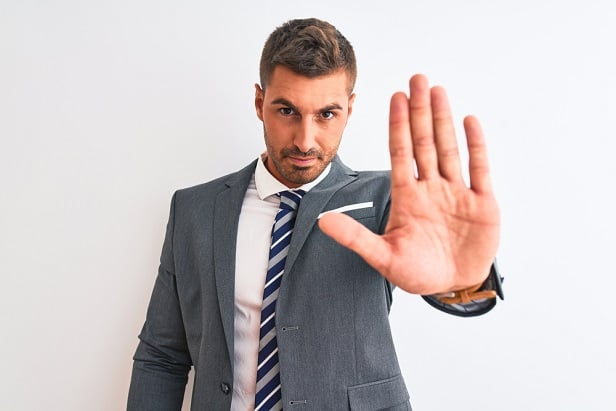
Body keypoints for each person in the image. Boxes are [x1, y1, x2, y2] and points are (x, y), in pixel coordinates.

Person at [127, 17, 503, 411]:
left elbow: (451, 278)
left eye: (326, 114)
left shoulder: (388, 200)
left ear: (350, 109)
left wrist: (464, 280)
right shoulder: (195, 210)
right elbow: (162, 356)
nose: (305, 140)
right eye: (287, 110)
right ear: (260, 102)